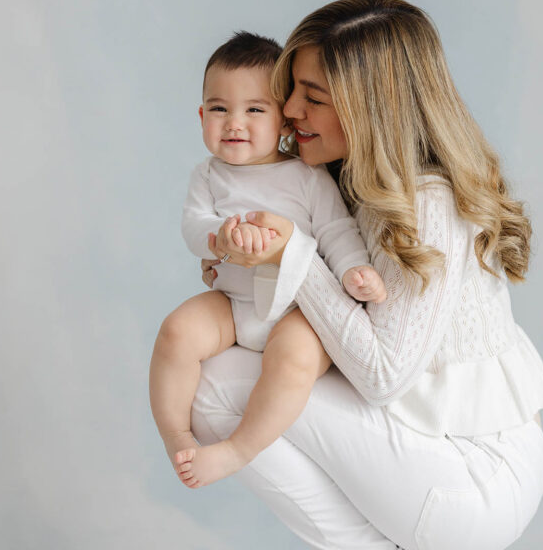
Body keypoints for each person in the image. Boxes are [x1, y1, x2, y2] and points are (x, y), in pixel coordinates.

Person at [190, 0, 543, 550]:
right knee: (224, 363)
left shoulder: (427, 205)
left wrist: (293, 260)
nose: (290, 112)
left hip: (474, 483)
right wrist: (248, 267)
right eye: (289, 92)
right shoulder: (352, 181)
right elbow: (328, 328)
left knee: (215, 385)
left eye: (312, 96)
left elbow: (382, 375)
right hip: (433, 449)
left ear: (371, 105)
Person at [149, 32, 387, 489]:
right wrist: (218, 239)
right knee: (176, 331)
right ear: (201, 115)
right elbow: (192, 226)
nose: (234, 122)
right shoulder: (208, 176)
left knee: (294, 361)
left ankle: (239, 449)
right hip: (234, 305)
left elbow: (337, 231)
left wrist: (356, 269)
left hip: (298, 311)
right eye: (219, 109)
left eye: (254, 109)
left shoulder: (308, 176)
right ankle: (177, 434)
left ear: (283, 122)